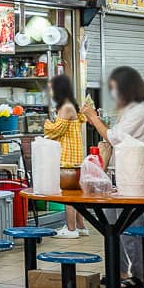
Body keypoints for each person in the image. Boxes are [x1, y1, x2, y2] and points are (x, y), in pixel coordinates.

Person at [82, 66, 144, 288]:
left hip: (132, 178)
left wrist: (93, 118)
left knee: (131, 228)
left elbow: (113, 138)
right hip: (117, 176)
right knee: (112, 225)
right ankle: (119, 271)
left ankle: (141, 276)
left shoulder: (139, 112)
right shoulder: (129, 111)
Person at [42, 73, 87, 239]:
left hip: (68, 158)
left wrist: (45, 122)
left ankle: (71, 228)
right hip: (73, 157)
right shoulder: (70, 105)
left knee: (68, 195)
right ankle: (81, 226)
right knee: (75, 195)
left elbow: (55, 131)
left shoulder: (66, 107)